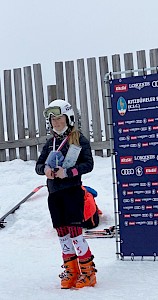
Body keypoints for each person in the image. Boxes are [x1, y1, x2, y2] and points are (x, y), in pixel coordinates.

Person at [35, 99, 97, 288]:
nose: (56, 122)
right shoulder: (50, 143)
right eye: (53, 119)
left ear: (68, 118)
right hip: (54, 194)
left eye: (59, 118)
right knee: (62, 234)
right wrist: (45, 170)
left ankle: (88, 272)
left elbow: (89, 164)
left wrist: (68, 172)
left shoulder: (79, 139)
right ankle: (71, 270)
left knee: (75, 233)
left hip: (72, 192)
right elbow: (38, 166)